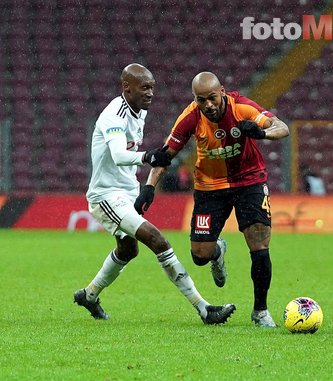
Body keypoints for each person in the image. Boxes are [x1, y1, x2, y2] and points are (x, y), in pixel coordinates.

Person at [73, 64, 236, 325]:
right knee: (158, 241)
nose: (150, 93)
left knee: (128, 251)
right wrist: (147, 156)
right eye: (144, 88)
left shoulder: (138, 112)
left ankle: (89, 295)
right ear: (127, 87)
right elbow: (118, 155)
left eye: (152, 88)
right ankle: (204, 309)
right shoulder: (114, 115)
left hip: (127, 192)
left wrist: (145, 187)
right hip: (106, 196)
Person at [135, 72, 289, 328]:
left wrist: (262, 134)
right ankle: (217, 251)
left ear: (223, 93)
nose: (208, 105)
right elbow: (165, 154)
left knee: (259, 244)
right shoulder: (190, 117)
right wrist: (149, 188)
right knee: (199, 255)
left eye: (212, 98)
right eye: (201, 100)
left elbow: (281, 127)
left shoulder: (241, 107)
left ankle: (260, 311)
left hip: (249, 181)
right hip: (209, 188)